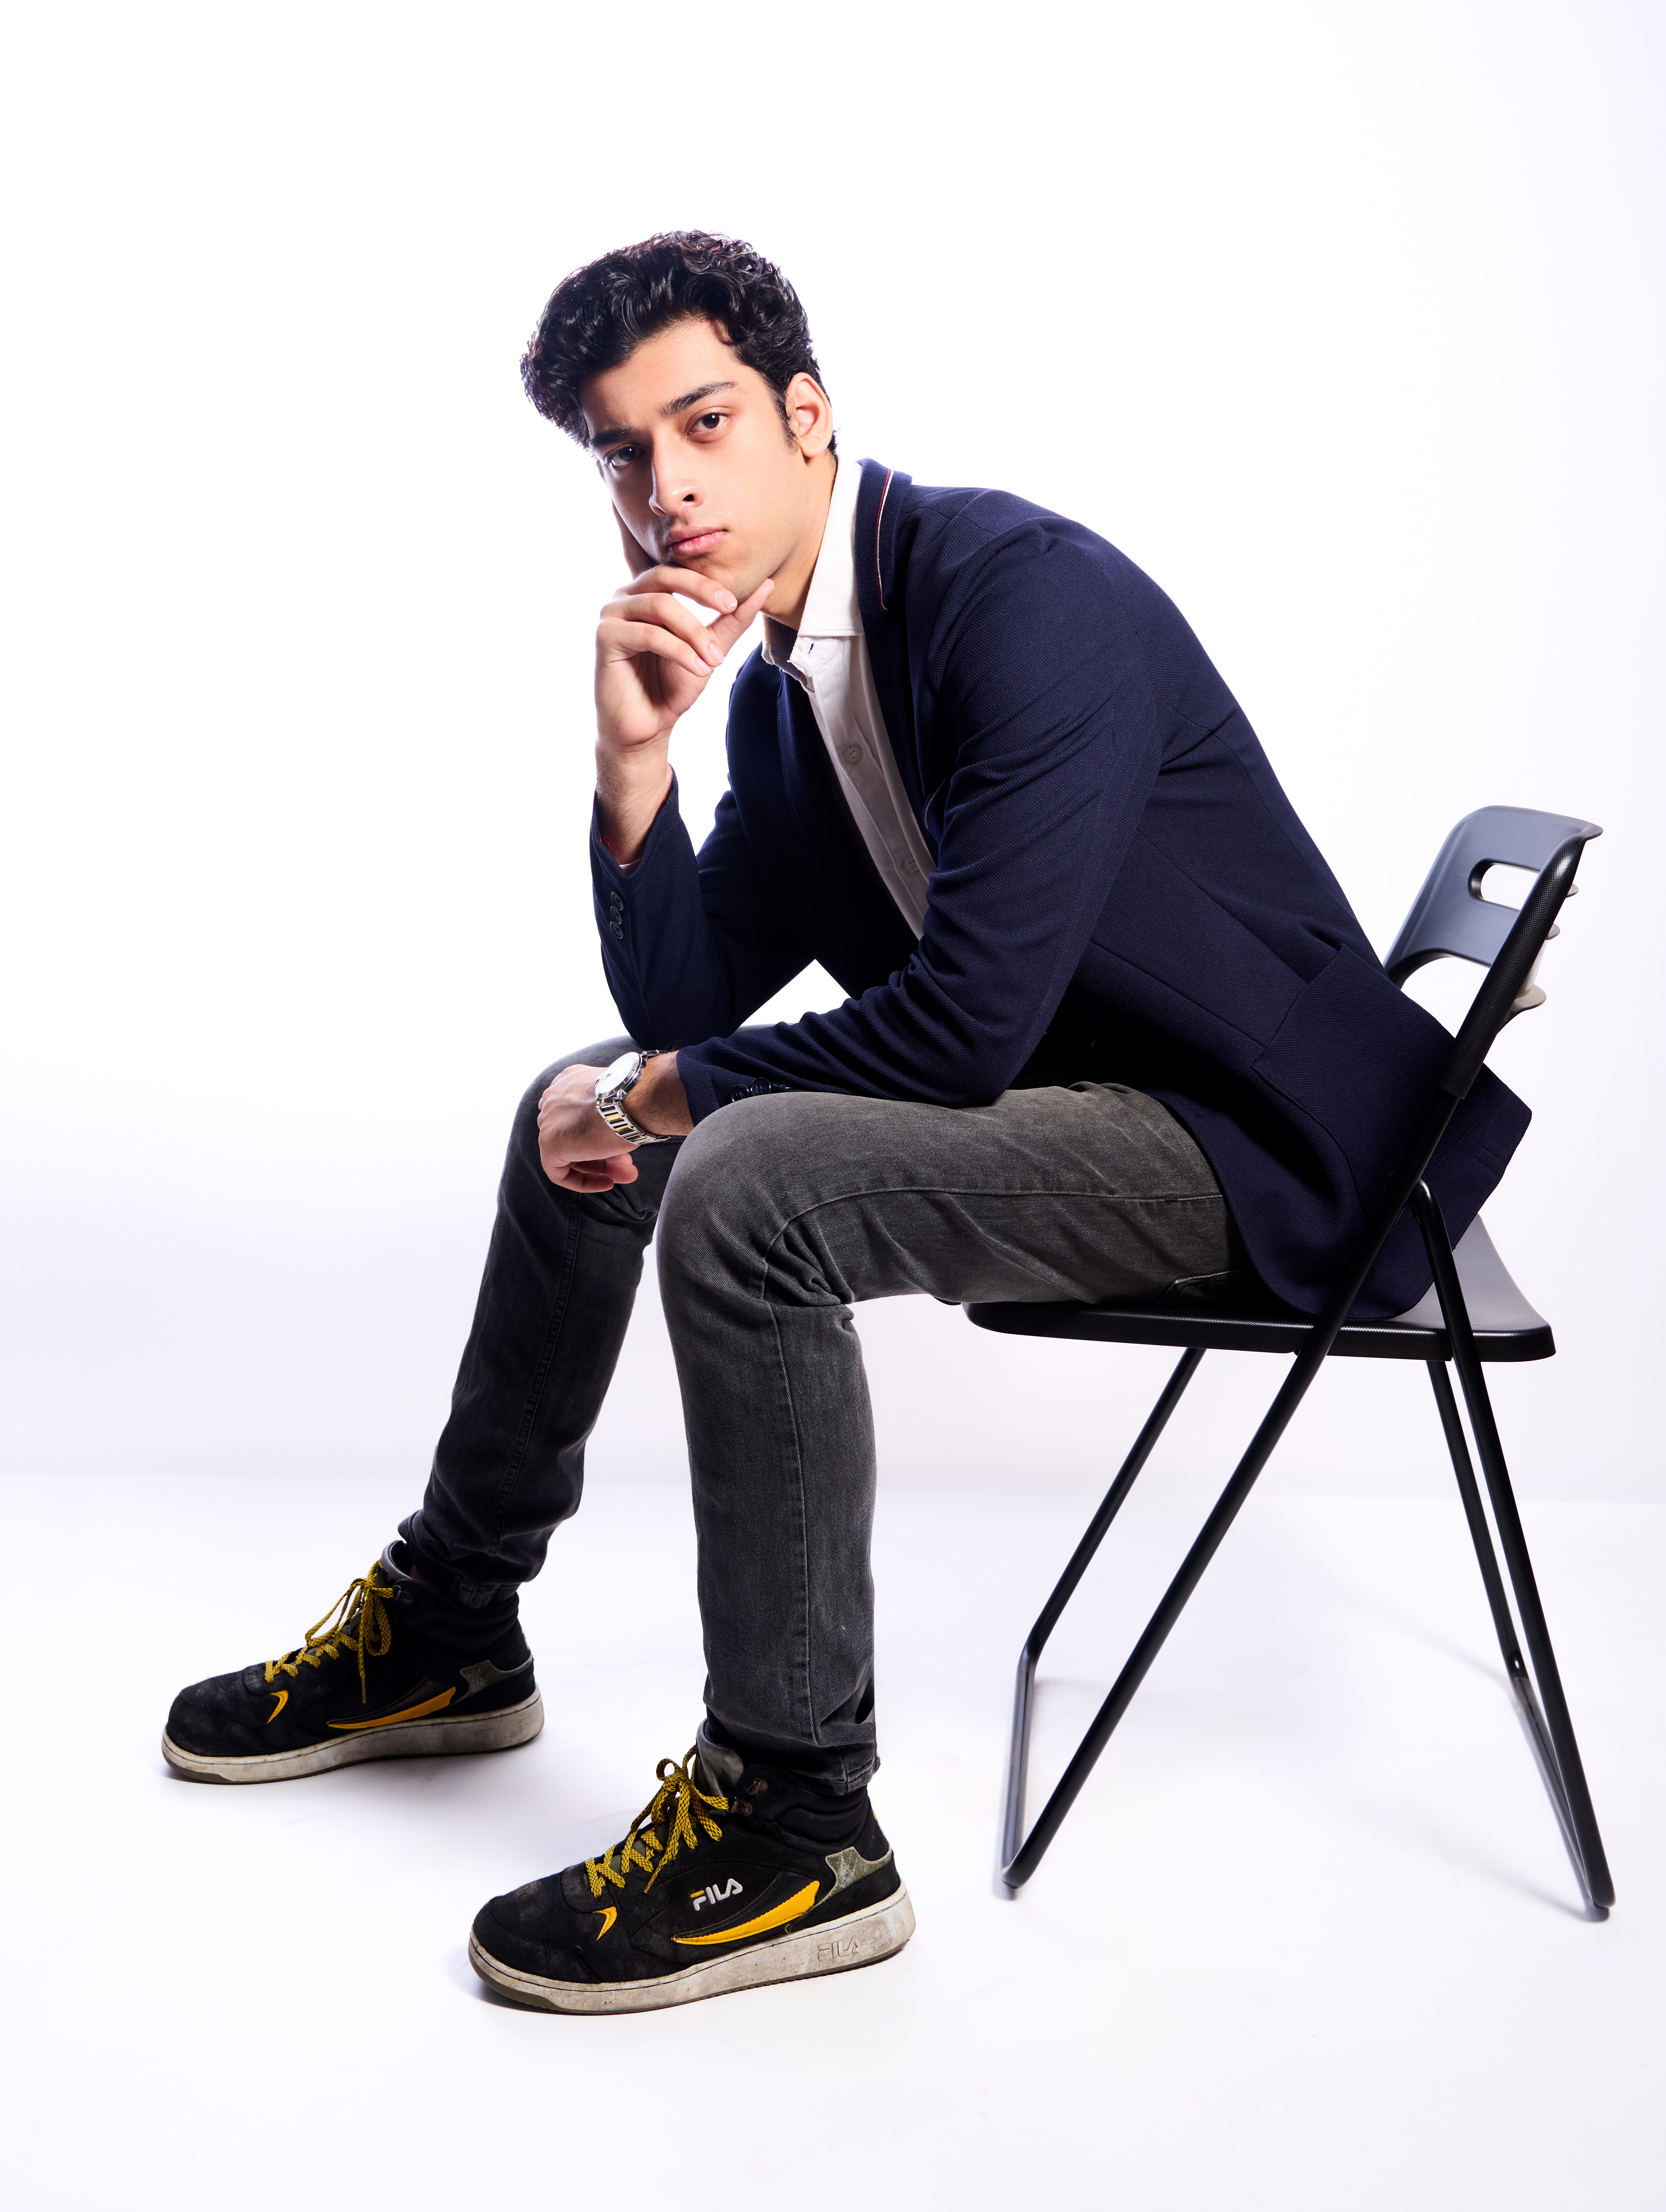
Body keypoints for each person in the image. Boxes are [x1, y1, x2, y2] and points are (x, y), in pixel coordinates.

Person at [163, 230, 1529, 2014]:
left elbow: (960, 1030)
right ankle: (450, 1627)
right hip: (1091, 1098)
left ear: (808, 415)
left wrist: (668, 1095)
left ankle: (798, 1816)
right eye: (623, 454)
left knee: (742, 1180)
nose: (667, 489)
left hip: (1270, 1149)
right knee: (579, 1109)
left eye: (705, 422)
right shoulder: (795, 696)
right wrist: (633, 770)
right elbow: (685, 1004)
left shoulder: (1017, 599)